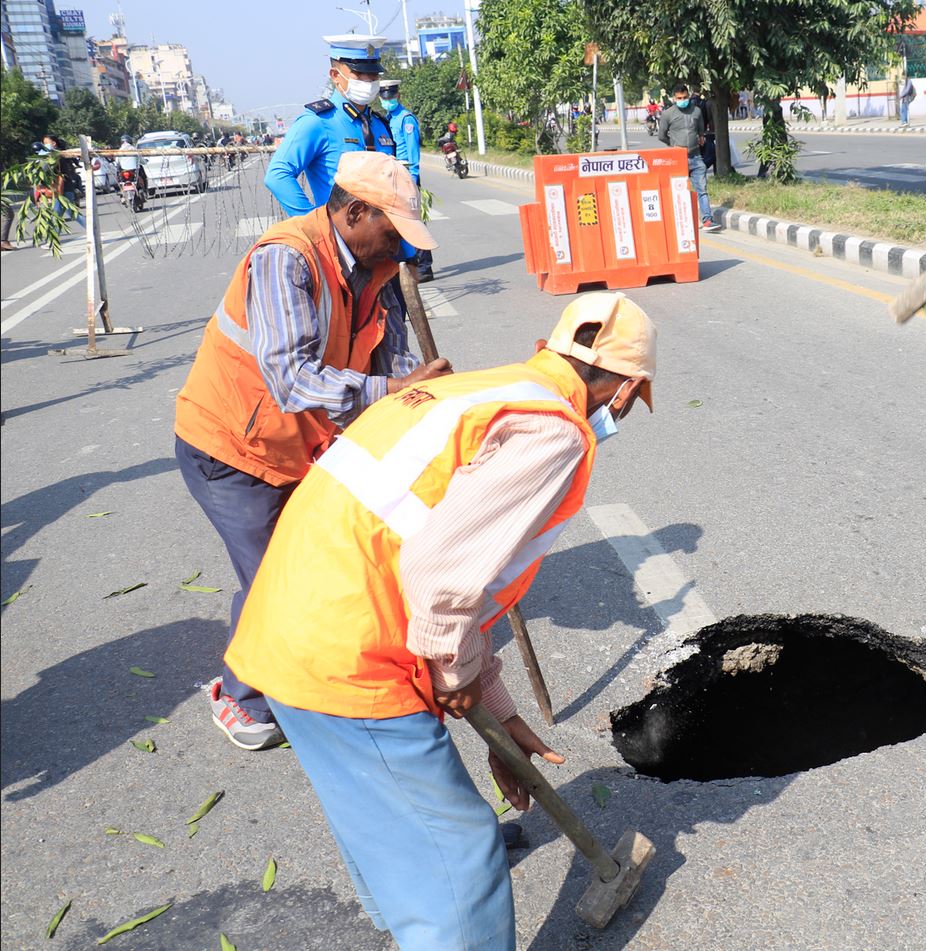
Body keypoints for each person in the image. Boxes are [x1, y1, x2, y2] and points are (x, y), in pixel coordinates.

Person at [223, 291, 658, 949]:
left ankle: (407, 908)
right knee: (461, 854)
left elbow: (443, 563)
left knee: (370, 803)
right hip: (349, 654)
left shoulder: (482, 392)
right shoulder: (554, 431)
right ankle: (441, 912)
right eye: (630, 398)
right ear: (624, 390)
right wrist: (453, 672)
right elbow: (442, 574)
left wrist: (501, 721)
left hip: (285, 630)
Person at [175, 151, 449, 751]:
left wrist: (419, 395)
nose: (403, 247)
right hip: (231, 446)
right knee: (277, 576)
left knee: (315, 560)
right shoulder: (286, 257)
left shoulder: (376, 269)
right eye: (393, 230)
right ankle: (241, 698)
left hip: (305, 443)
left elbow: (389, 356)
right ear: (354, 212)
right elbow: (291, 378)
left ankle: (324, 672)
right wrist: (386, 391)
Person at [264, 33, 397, 217]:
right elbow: (277, 175)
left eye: (374, 74)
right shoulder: (317, 122)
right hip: (341, 240)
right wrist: (314, 224)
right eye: (360, 74)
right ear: (335, 75)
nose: (369, 81)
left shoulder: (379, 125)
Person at [380, 78, 433, 283]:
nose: (388, 100)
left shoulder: (406, 119)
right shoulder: (387, 118)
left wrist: (412, 180)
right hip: (394, 176)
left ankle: (425, 265)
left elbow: (412, 153)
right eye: (385, 97)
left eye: (391, 96)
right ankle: (409, 261)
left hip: (408, 176)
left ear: (398, 96)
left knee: (414, 221)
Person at [659, 82, 720, 233]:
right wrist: (674, 146)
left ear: (689, 95)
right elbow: (662, 136)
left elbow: (701, 132)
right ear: (674, 98)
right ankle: (680, 221)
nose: (683, 100)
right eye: (679, 98)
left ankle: (707, 220)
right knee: (679, 191)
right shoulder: (668, 114)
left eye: (685, 97)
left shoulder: (697, 111)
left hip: (696, 157)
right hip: (677, 159)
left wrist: (700, 139)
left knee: (702, 189)